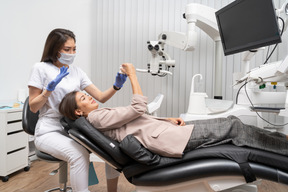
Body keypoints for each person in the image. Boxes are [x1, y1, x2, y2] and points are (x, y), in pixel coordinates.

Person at [59, 63, 288, 158]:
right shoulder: (97, 117)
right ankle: (283, 148)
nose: (89, 96)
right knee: (234, 127)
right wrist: (133, 76)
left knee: (231, 121)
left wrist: (166, 119)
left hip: (166, 131)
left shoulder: (98, 116)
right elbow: (138, 107)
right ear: (78, 112)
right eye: (83, 98)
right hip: (169, 140)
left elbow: (134, 122)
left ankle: (282, 142)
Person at [28, 28, 125, 192]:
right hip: (49, 130)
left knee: (111, 147)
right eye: (67, 49)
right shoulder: (40, 68)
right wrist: (48, 91)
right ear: (54, 49)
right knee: (78, 154)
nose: (72, 53)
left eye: (74, 49)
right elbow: (33, 107)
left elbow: (100, 97)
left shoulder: (76, 71)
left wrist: (116, 86)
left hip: (74, 128)